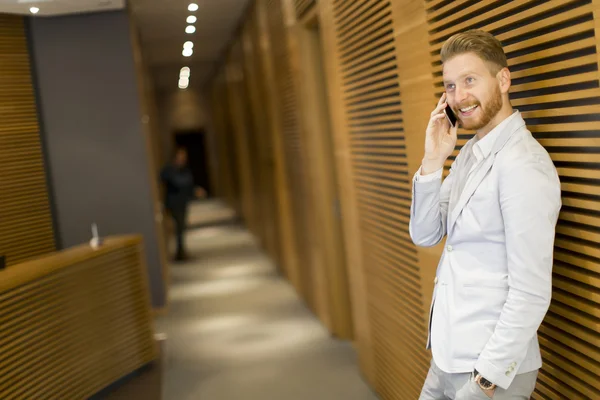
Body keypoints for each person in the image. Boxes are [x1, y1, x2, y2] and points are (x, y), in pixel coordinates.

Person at [410, 30, 561, 399]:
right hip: (447, 358)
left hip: (488, 373)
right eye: (449, 85)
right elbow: (425, 234)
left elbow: (531, 291)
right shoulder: (469, 154)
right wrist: (433, 160)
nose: (459, 96)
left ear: (503, 80)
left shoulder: (524, 165)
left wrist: (485, 382)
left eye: (469, 80)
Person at [160, 147, 206, 261]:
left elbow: (188, 184)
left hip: (183, 203)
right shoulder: (170, 170)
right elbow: (178, 182)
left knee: (181, 228)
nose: (183, 159)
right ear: (175, 157)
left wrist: (195, 190)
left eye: (184, 156)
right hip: (174, 204)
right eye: (181, 156)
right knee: (178, 228)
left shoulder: (184, 170)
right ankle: (180, 253)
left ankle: (181, 252)